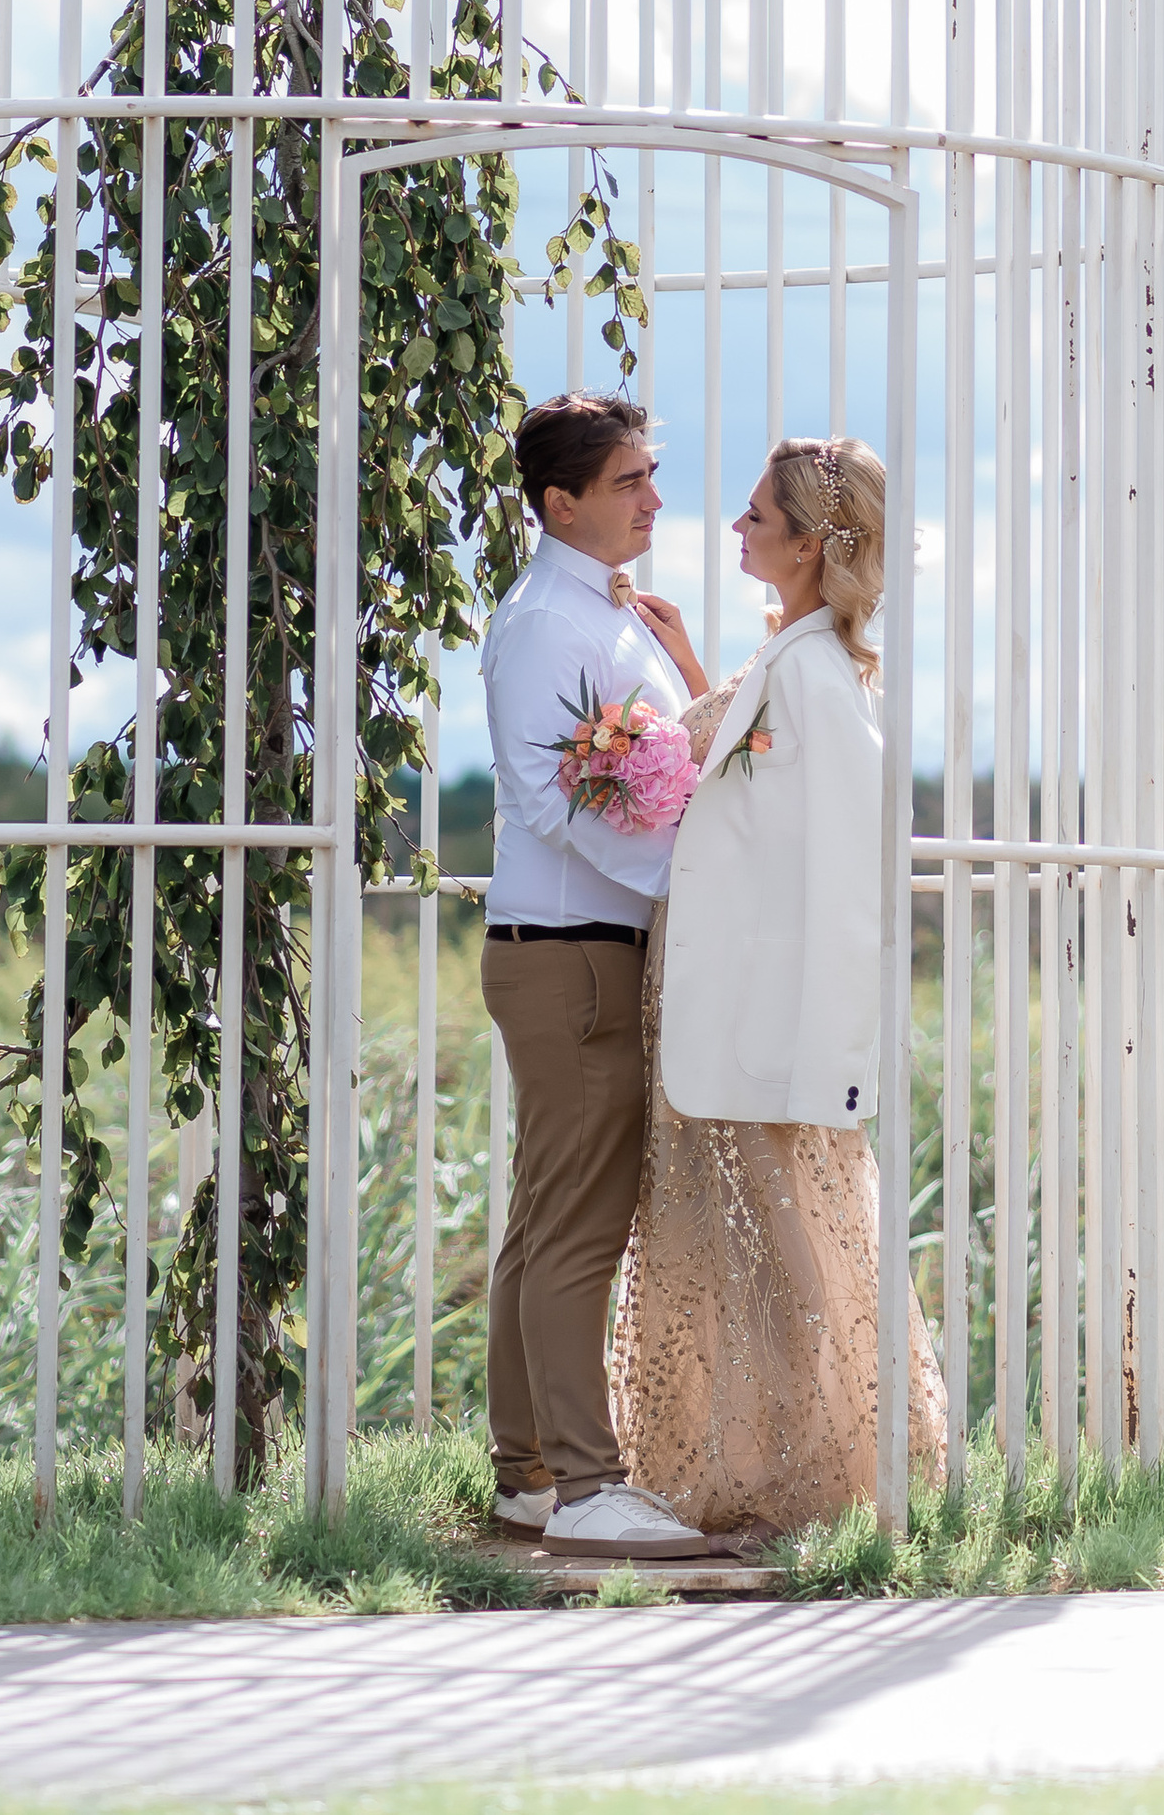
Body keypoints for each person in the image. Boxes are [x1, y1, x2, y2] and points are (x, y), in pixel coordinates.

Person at [610, 436, 946, 1537]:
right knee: (757, 1242)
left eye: (758, 516)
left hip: (763, 1022)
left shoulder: (810, 675)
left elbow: (849, 863)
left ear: (808, 543)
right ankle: (798, 1459)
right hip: (728, 1016)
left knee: (785, 1240)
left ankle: (838, 1471)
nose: (739, 527)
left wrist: (832, 1042)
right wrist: (702, 680)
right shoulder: (791, 659)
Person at [477, 391, 719, 1557]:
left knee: (546, 1221)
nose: (654, 502)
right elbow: (545, 794)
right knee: (578, 1227)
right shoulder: (542, 627)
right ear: (558, 501)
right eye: (629, 482)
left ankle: (526, 1472)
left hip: (585, 948)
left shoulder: (605, 615)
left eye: (650, 476)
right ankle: (584, 1486)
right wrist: (687, 878)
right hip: (569, 954)